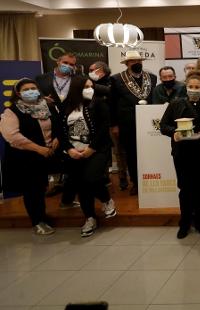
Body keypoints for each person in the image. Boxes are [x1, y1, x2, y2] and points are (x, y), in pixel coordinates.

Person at [0, 79, 61, 235]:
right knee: (32, 190)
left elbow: (58, 125)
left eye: (33, 88)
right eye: (26, 89)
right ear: (18, 93)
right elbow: (12, 136)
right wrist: (38, 148)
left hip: (47, 153)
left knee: (41, 187)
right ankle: (37, 221)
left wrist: (56, 138)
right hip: (25, 156)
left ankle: (42, 215)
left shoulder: (47, 106)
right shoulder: (12, 111)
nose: (31, 91)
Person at [160, 71, 200, 239]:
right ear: (186, 87)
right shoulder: (176, 104)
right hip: (182, 154)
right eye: (190, 87)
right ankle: (184, 223)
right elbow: (163, 125)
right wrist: (174, 133)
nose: (193, 89)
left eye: (197, 87)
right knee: (185, 190)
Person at [60, 76, 117, 237]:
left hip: (97, 150)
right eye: (86, 86)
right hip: (73, 152)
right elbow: (60, 130)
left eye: (91, 86)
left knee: (91, 178)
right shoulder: (66, 105)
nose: (90, 89)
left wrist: (91, 148)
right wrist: (69, 149)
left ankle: (106, 200)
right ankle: (90, 218)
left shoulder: (98, 103)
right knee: (81, 187)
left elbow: (104, 127)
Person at [109, 50, 158, 195]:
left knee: (149, 153)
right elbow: (112, 104)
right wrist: (114, 125)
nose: (136, 63)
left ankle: (150, 180)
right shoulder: (117, 79)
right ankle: (136, 183)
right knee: (131, 154)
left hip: (148, 123)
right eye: (132, 61)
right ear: (127, 63)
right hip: (127, 124)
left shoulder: (152, 78)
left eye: (139, 61)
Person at [36, 52, 79, 205]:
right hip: (49, 123)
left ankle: (68, 198)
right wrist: (41, 100)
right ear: (58, 61)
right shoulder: (41, 78)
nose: (68, 66)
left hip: (71, 123)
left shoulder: (77, 79)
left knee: (72, 162)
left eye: (72, 64)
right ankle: (50, 189)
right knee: (50, 159)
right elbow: (32, 99)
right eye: (66, 62)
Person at [89, 61, 128, 189]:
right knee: (99, 151)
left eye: (92, 70)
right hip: (96, 124)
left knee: (119, 151)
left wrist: (93, 86)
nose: (90, 73)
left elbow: (110, 92)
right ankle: (103, 177)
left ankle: (123, 177)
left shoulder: (113, 80)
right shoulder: (88, 85)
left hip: (112, 123)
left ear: (101, 70)